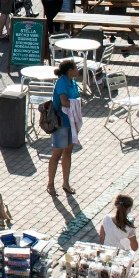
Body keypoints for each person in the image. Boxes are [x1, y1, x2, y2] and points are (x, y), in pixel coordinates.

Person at [47, 58, 83, 196]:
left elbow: (74, 100)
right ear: (70, 70)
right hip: (62, 123)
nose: (77, 70)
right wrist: (78, 103)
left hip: (71, 123)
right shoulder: (62, 83)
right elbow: (64, 102)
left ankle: (65, 183)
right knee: (57, 153)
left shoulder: (72, 83)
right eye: (75, 67)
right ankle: (50, 183)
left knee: (68, 152)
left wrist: (78, 102)